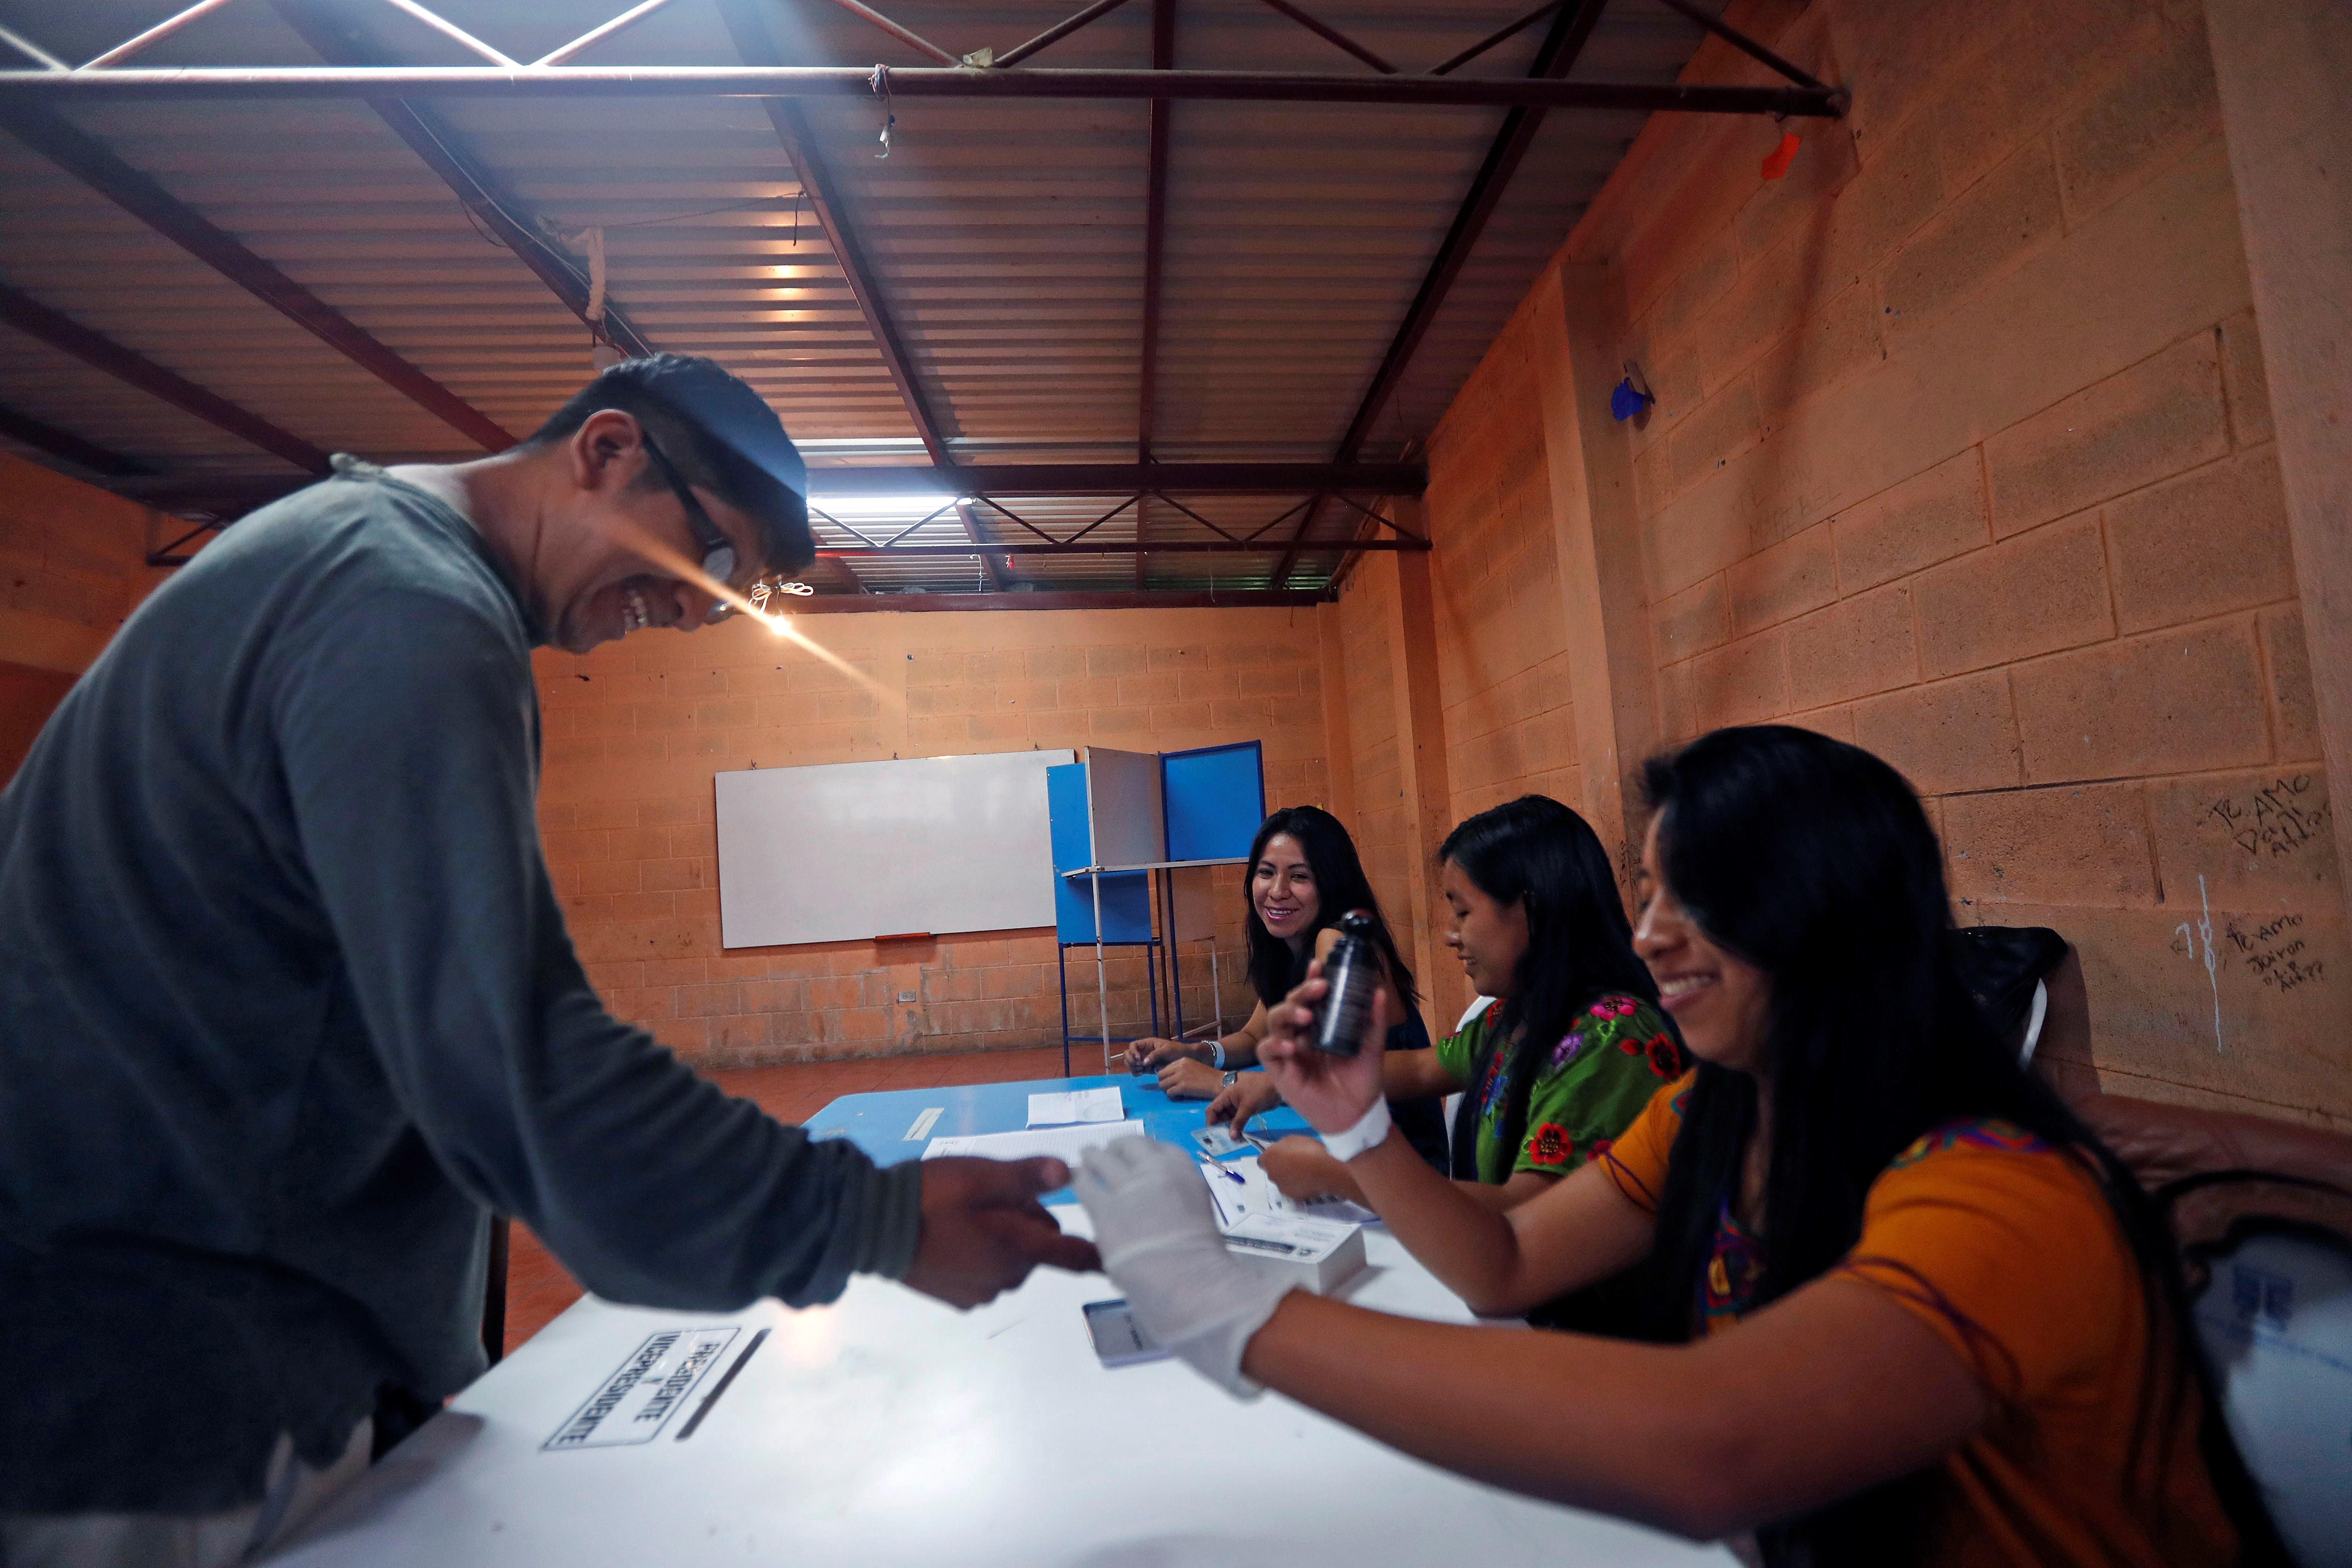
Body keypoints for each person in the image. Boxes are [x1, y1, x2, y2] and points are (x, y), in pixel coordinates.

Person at [0, 355, 1096, 1564]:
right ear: (608, 450)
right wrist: (866, 1217)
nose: (690, 613)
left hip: (170, 1343)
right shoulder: (401, 607)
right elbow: (506, 1057)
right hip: (163, 1395)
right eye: (714, 562)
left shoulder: (343, 560)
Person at [1075, 726, 2284, 1567]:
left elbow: (1718, 1448)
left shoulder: (1998, 1193)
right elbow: (1504, 1266)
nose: (1648, 937)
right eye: (1646, 895)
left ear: (1824, 912)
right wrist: (1355, 1123)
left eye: (1687, 898)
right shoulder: (1717, 1110)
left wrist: (1224, 1310)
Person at [1215, 796, 1676, 1218]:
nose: (1450, 936)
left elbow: (1523, 1218)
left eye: (1463, 913)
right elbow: (1417, 1069)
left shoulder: (1610, 1039)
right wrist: (1287, 1082)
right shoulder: (1511, 1018)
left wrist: (1342, 1175)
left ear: (1530, 912)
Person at [1124, 805, 1446, 1171]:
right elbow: (1253, 1036)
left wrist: (1222, 1082)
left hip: (1401, 1166)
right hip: (1342, 1145)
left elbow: (1336, 1074)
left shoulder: (1339, 943)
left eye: (1299, 877)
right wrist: (1196, 1051)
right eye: (1266, 873)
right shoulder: (1288, 943)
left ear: (1331, 882)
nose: (1277, 892)